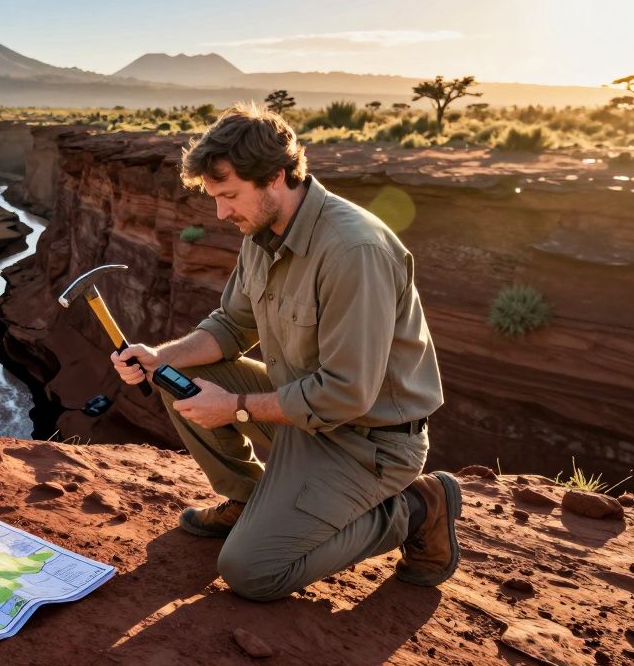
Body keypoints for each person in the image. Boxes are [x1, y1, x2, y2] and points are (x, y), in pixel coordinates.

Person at [110, 103, 460, 601]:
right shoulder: (262, 232)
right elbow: (232, 325)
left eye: (229, 195)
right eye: (215, 197)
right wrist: (158, 357)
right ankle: (250, 499)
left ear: (276, 177)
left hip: (370, 443)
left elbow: (345, 394)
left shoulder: (352, 251)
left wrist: (233, 406)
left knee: (251, 571)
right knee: (177, 376)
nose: (221, 213)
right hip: (303, 417)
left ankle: (416, 508)